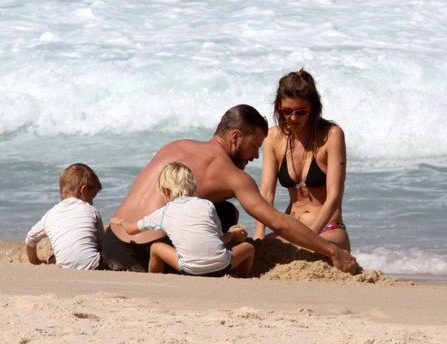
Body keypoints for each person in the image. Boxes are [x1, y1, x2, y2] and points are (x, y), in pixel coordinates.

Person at [103, 104, 358, 274]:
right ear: (235, 137)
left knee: (216, 208)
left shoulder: (176, 145)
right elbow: (278, 222)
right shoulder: (233, 176)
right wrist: (333, 251)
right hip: (145, 256)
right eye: (254, 146)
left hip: (111, 243)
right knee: (225, 215)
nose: (256, 156)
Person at [253, 69, 351, 252]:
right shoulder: (273, 137)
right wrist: (259, 234)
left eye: (301, 112)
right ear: (278, 107)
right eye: (287, 111)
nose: (293, 117)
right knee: (255, 252)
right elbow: (266, 193)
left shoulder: (331, 135)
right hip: (293, 228)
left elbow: (334, 196)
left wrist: (309, 239)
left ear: (313, 108)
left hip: (327, 229)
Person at [122, 162, 254, 277]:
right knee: (249, 248)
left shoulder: (164, 212)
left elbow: (131, 230)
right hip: (222, 266)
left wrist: (123, 222)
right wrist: (230, 234)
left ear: (166, 191)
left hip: (190, 269)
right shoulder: (207, 205)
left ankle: (154, 277)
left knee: (156, 248)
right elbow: (218, 240)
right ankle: (240, 277)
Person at [25, 163, 106, 270]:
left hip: (64, 267)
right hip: (94, 265)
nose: (92, 202)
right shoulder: (91, 210)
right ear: (83, 190)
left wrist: (34, 261)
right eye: (92, 197)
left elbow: (30, 239)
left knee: (53, 259)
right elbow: (103, 244)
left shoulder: (50, 214)